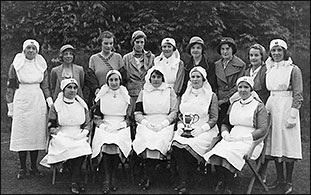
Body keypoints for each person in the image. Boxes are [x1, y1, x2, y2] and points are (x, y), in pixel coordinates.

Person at [203, 76, 269, 194]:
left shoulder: (258, 106)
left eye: (246, 87)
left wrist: (245, 137)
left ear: (251, 89)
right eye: (240, 87)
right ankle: (223, 180)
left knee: (230, 152)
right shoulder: (234, 104)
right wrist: (225, 134)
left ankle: (228, 185)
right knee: (218, 150)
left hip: (251, 141)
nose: (243, 90)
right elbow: (225, 123)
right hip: (232, 137)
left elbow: (263, 129)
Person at [6, 39, 52, 179]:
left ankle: (33, 167)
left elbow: (45, 86)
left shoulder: (41, 65)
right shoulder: (16, 65)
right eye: (28, 48)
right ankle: (22, 168)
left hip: (37, 100)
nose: (31, 51)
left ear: (37, 51)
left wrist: (50, 103)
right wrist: (11, 106)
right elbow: (11, 86)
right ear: (24, 49)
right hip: (22, 100)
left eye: (34, 48)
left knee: (36, 133)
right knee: (22, 133)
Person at [170, 66, 219, 194]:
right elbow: (181, 114)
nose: (195, 79)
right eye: (193, 77)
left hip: (205, 130)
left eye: (198, 77)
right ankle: (184, 179)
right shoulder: (185, 95)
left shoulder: (211, 96)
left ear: (203, 79)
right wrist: (181, 125)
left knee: (190, 145)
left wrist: (202, 129)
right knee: (176, 145)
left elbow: (214, 118)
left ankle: (188, 180)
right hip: (186, 128)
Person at [264, 39, 303, 194]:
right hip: (272, 105)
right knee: (275, 143)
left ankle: (288, 181)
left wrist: (293, 114)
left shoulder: (293, 69)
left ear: (285, 52)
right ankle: (279, 179)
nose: (276, 53)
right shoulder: (270, 68)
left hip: (287, 106)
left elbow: (298, 94)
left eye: (279, 50)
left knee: (288, 143)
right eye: (274, 51)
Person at [40, 78, 92, 194]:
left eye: (74, 88)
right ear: (63, 89)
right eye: (69, 87)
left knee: (81, 147)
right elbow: (51, 125)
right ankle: (75, 179)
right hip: (61, 135)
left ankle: (74, 178)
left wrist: (84, 133)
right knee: (67, 145)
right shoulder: (56, 106)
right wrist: (56, 132)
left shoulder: (82, 105)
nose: (72, 90)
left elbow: (88, 124)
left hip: (79, 134)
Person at [132, 67, 178, 190]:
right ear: (149, 78)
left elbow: (174, 111)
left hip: (165, 122)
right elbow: (137, 112)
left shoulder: (169, 91)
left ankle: (152, 173)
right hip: (147, 121)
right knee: (146, 137)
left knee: (161, 138)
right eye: (153, 77)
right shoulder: (144, 91)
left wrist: (164, 124)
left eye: (158, 77)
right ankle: (149, 174)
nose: (156, 79)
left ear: (162, 78)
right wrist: (145, 123)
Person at [91, 70, 132, 194]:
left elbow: (130, 118)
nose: (114, 83)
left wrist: (123, 125)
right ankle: (106, 178)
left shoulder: (125, 95)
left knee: (118, 142)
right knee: (104, 142)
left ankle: (114, 176)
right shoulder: (102, 95)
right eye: (111, 80)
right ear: (107, 81)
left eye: (116, 80)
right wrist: (103, 126)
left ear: (120, 81)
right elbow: (96, 117)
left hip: (121, 126)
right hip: (105, 124)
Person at [120, 30, 155, 140]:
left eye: (142, 42)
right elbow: (124, 77)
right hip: (131, 91)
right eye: (137, 42)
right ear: (133, 43)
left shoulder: (151, 57)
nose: (139, 45)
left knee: (145, 117)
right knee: (131, 117)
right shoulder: (126, 58)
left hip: (146, 91)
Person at [214, 37, 246, 129]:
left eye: (227, 49)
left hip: (232, 99)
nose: (225, 52)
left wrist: (224, 100)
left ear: (233, 49)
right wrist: (216, 100)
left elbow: (238, 86)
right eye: (222, 49)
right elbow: (214, 84)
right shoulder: (216, 65)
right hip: (218, 99)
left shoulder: (240, 65)